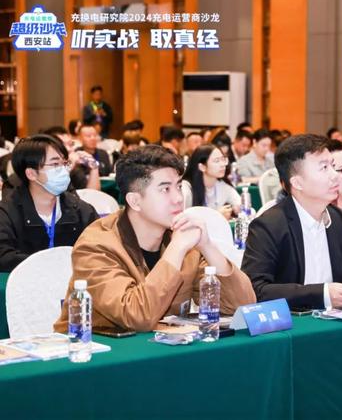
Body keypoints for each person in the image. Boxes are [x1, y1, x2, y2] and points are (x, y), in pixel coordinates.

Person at [53, 145, 255, 332]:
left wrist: (207, 246)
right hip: (95, 353)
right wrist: (176, 249)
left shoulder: (183, 240)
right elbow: (136, 316)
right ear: (135, 201)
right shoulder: (96, 245)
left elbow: (242, 306)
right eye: (165, 189)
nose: (178, 198)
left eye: (179, 187)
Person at [242, 134, 342, 310]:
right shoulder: (269, 225)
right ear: (297, 183)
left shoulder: (339, 219)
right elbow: (255, 289)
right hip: (292, 321)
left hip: (337, 318)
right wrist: (321, 294)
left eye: (332, 166)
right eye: (324, 168)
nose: (334, 176)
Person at [0, 135, 98, 272]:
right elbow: (3, 256)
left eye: (65, 163)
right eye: (55, 164)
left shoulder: (79, 208)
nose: (64, 170)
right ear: (31, 174)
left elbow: (100, 247)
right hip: (24, 281)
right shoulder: (7, 212)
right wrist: (48, 263)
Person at [183, 145, 241, 220]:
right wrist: (215, 215)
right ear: (202, 167)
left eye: (223, 159)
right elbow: (182, 220)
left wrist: (238, 208)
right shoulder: (186, 189)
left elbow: (245, 207)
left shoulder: (221, 185)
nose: (222, 164)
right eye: (217, 161)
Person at [43, 126, 100, 191]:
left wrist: (94, 166)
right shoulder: (45, 168)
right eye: (62, 145)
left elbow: (92, 193)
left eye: (70, 144)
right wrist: (70, 164)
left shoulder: (76, 169)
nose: (69, 149)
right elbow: (52, 191)